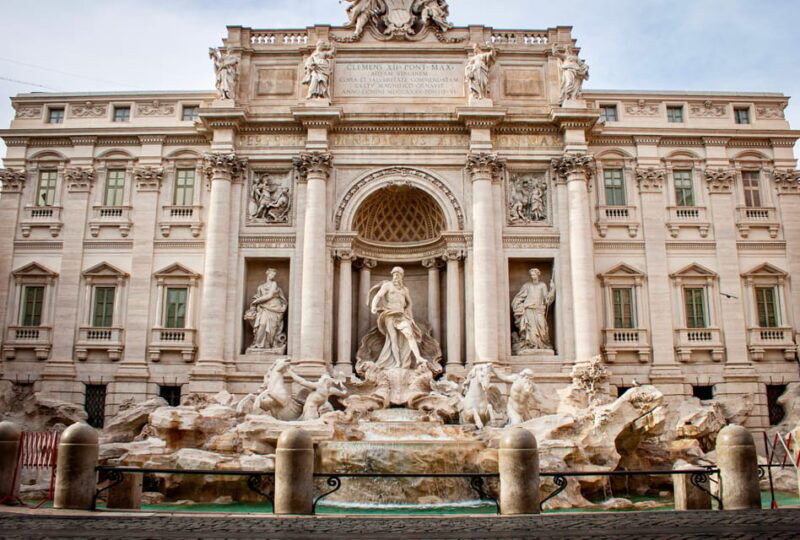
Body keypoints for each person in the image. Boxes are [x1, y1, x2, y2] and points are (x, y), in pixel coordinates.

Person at [369, 266, 427, 370]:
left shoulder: (405, 290)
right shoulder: (387, 285)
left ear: (402, 276)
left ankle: (418, 358)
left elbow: (409, 303)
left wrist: (410, 317)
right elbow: (378, 296)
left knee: (409, 334)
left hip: (401, 315)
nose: (396, 276)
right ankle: (397, 363)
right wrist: (374, 306)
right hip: (389, 314)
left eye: (398, 274)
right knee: (393, 339)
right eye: (394, 274)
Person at [512, 268, 555, 351]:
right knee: (530, 328)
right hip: (529, 309)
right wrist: (520, 305)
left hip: (539, 310)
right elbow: (519, 297)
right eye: (531, 275)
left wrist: (552, 289)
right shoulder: (527, 285)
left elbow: (547, 299)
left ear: (538, 274)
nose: (533, 276)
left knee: (542, 328)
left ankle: (542, 345)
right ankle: (531, 345)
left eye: (534, 274)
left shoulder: (542, 285)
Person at [246, 269, 287, 350]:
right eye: (272, 274)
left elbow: (270, 295)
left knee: (272, 327)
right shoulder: (261, 287)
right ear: (267, 274)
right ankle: (259, 344)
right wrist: (255, 303)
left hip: (274, 307)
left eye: (274, 275)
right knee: (262, 324)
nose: (273, 276)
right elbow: (257, 296)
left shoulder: (274, 284)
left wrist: (256, 301)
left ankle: (268, 345)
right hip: (264, 308)